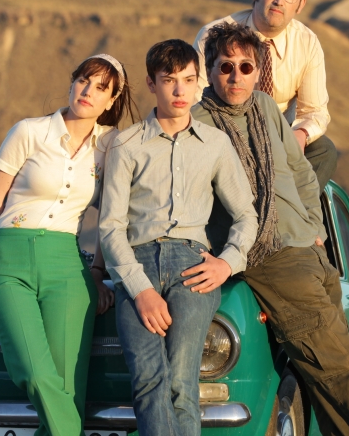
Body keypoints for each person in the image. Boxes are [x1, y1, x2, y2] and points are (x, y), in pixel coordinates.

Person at [191, 22, 349, 436]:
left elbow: (300, 171)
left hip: (309, 251)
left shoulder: (266, 107)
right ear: (209, 71)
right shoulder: (198, 122)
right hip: (270, 257)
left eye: (245, 67)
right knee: (343, 370)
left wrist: (315, 228)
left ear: (257, 71)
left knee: (327, 381)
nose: (235, 76)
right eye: (225, 66)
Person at [99, 40, 258, 436]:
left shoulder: (216, 145)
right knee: (148, 383)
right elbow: (110, 226)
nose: (180, 90)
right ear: (152, 83)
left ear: (198, 81)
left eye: (188, 80)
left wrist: (227, 263)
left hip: (193, 266)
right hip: (137, 266)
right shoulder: (126, 144)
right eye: (169, 80)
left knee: (181, 384)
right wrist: (140, 290)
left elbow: (246, 215)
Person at [0, 54, 137, 436]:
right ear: (72, 83)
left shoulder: (111, 146)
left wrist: (97, 272)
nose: (88, 91)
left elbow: (112, 217)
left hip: (68, 267)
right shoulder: (29, 131)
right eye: (84, 80)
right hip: (10, 260)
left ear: (111, 100)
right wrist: (4, 249)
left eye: (101, 87)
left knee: (68, 392)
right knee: (35, 374)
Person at [193, 0, 337, 190]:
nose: (279, 0)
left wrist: (300, 135)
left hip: (280, 137)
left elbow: (315, 111)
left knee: (324, 151)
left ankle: (290, 208)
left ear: (300, 5)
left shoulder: (307, 43)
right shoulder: (215, 36)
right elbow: (194, 100)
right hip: (225, 129)